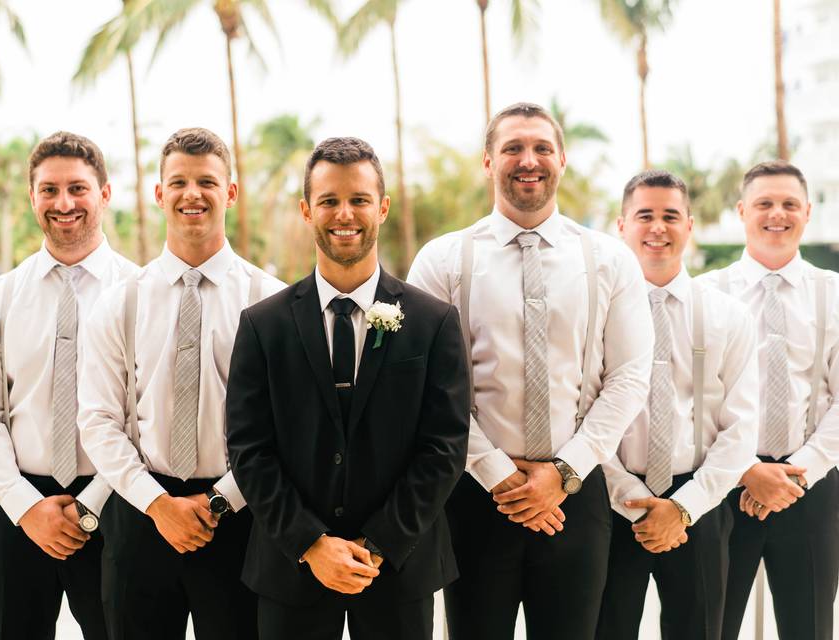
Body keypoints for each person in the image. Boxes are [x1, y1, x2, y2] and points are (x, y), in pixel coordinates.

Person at [406, 101, 653, 639]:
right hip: (473, 494)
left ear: (562, 159)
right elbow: (423, 387)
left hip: (575, 496)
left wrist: (561, 473)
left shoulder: (610, 261)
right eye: (513, 148)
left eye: (542, 148)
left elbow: (631, 376)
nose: (528, 160)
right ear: (488, 162)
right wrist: (500, 476)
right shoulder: (443, 259)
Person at [225, 136, 470, 640]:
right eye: (329, 200)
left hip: (398, 568)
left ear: (381, 207)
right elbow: (249, 449)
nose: (345, 214)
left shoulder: (434, 321)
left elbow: (444, 448)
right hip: (291, 568)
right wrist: (312, 544)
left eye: (359, 199)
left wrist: (375, 546)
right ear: (306, 210)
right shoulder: (262, 325)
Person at [77, 127, 284, 640]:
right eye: (179, 182)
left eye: (208, 182)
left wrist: (218, 502)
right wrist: (158, 505)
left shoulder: (273, 302)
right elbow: (98, 421)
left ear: (230, 193)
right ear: (159, 193)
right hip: (140, 518)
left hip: (242, 519)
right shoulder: (121, 303)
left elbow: (286, 424)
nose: (193, 194)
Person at [0, 131, 137, 640]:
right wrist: (25, 506)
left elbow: (144, 415)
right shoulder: (0, 296)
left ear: (104, 194)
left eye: (78, 188)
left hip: (117, 502)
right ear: (32, 197)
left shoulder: (140, 292)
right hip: (13, 509)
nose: (64, 203)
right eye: (49, 190)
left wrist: (93, 503)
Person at [594, 170, 759, 639]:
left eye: (670, 216)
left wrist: (682, 508)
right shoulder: (598, 313)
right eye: (644, 215)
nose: (657, 227)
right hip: (610, 503)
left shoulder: (729, 316)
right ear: (621, 225)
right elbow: (582, 414)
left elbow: (742, 428)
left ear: (689, 225)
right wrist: (630, 500)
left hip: (700, 507)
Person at [697, 161, 839, 640]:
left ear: (807, 212)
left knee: (811, 628)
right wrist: (744, 470)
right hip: (720, 487)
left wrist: (797, 473)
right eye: (764, 203)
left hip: (811, 487)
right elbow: (693, 400)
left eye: (788, 204)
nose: (776, 214)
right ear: (741, 211)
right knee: (712, 627)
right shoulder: (705, 294)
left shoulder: (835, 293)